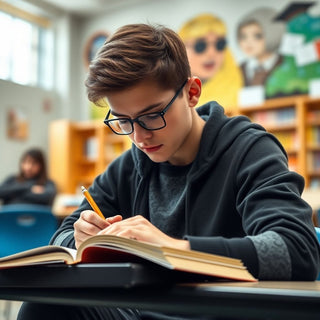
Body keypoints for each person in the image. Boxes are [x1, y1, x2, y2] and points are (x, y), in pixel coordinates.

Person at [18, 23, 319, 320]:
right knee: (44, 305)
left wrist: (174, 250)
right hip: (142, 309)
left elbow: (297, 249)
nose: (138, 137)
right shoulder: (129, 164)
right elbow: (62, 237)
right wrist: (81, 238)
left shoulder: (249, 150)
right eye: (123, 121)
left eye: (152, 115)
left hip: (220, 310)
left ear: (191, 92)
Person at [179, 13, 243, 114]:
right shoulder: (171, 93)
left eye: (220, 44)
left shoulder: (238, 83)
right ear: (181, 50)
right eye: (200, 45)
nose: (211, 53)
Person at [236, 7, 285, 87]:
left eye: (257, 36)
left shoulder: (284, 64)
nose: (248, 42)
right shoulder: (239, 70)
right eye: (243, 36)